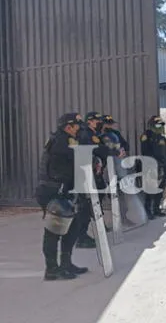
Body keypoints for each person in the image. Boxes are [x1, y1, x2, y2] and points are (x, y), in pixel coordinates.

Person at [36, 113, 88, 281]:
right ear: (68, 127)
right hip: (53, 190)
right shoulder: (61, 141)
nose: (79, 129)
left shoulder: (67, 140)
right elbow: (73, 160)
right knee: (54, 229)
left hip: (64, 190)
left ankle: (66, 263)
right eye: (77, 126)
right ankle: (51, 269)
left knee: (73, 227)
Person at [74, 111, 110, 248]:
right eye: (97, 121)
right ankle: (81, 237)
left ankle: (97, 228)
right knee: (85, 206)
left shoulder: (93, 134)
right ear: (90, 121)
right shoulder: (85, 134)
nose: (99, 123)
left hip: (95, 174)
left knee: (93, 203)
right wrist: (96, 160)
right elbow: (88, 152)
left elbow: (102, 149)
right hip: (87, 174)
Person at [140, 115, 166, 219]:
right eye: (158, 125)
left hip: (163, 167)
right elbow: (145, 152)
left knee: (160, 189)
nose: (160, 127)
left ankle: (157, 209)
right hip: (151, 167)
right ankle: (148, 210)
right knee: (150, 189)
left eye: (161, 125)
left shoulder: (163, 139)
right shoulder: (146, 137)